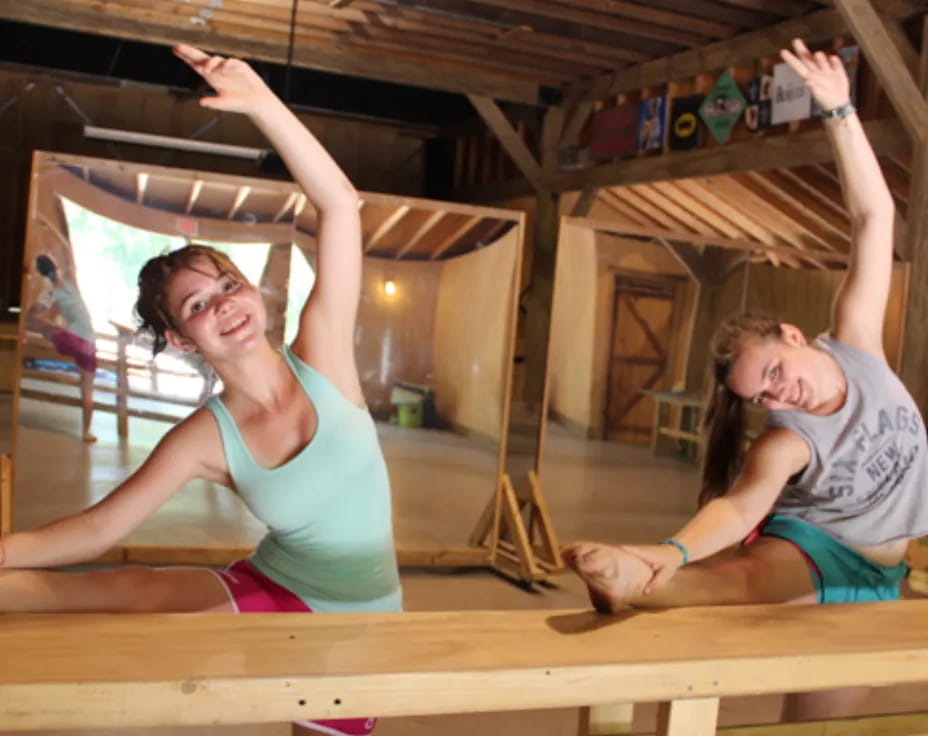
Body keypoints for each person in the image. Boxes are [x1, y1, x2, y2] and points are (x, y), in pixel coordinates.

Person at [0, 44, 401, 736]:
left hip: (356, 619)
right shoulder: (204, 435)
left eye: (227, 283)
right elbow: (100, 530)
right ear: (186, 342)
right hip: (271, 589)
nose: (223, 303)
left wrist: (261, 104)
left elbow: (339, 204)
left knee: (150, 631)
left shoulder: (325, 355)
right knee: (126, 597)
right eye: (197, 306)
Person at [563, 39, 927, 719]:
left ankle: (646, 575)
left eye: (776, 375)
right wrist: (671, 548)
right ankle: (639, 579)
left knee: (821, 728)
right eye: (760, 397)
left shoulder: (856, 340)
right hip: (821, 551)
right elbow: (739, 510)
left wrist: (841, 110)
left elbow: (874, 219)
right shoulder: (786, 440)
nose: (776, 396)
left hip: (883, 577)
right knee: (738, 578)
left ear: (793, 334)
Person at [28, 252, 98, 442]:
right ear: (58, 269)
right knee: (87, 389)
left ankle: (25, 335)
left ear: (44, 275)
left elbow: (34, 314)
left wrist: (39, 314)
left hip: (73, 339)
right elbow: (68, 268)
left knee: (31, 321)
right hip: (90, 344)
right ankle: (87, 431)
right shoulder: (72, 286)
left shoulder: (52, 294)